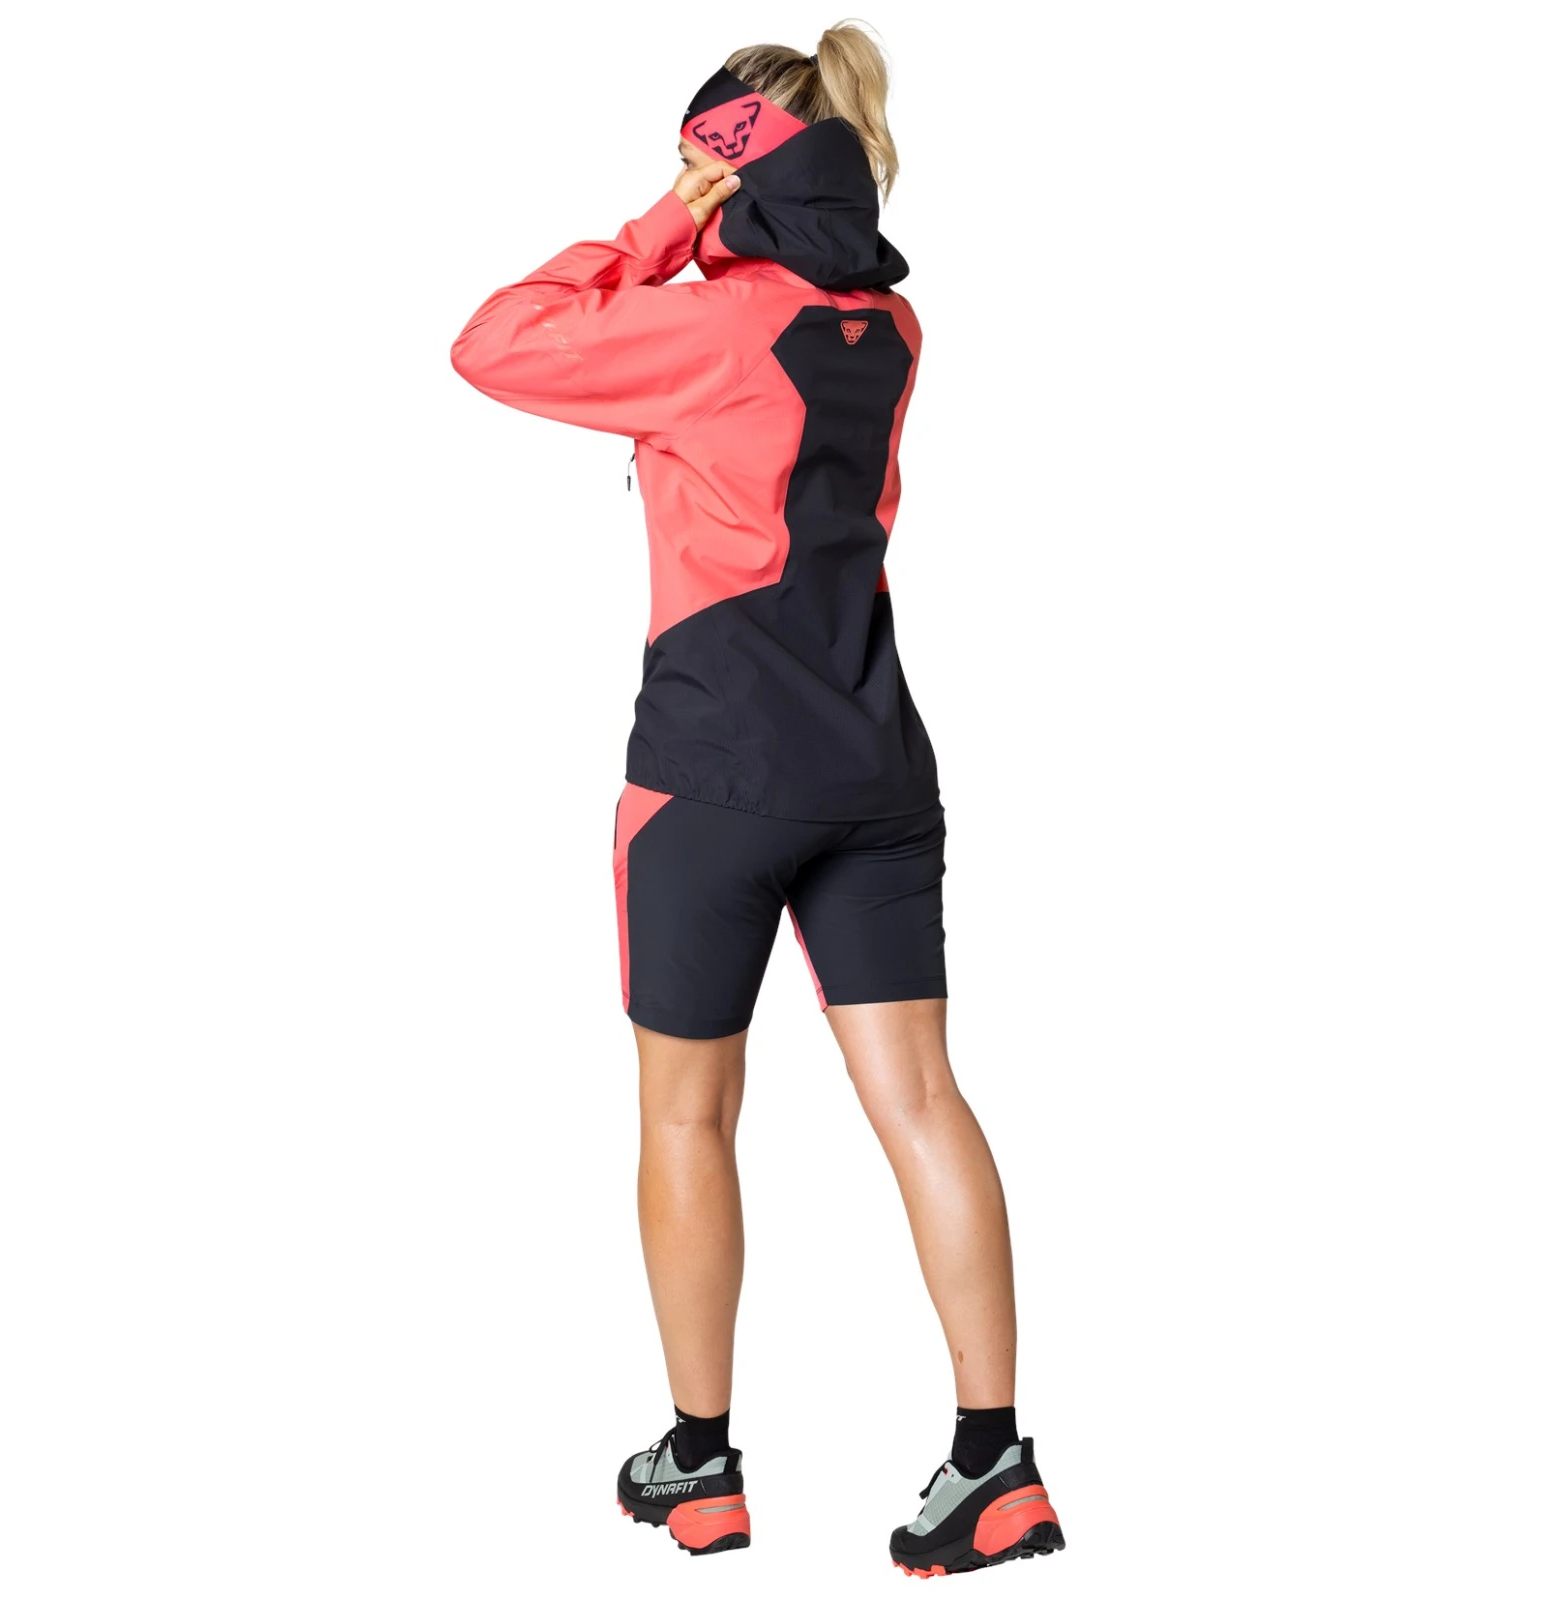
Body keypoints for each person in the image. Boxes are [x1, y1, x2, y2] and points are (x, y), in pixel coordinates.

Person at [450, 23, 1066, 1576]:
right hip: (878, 764)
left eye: (700, 159)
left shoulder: (710, 327)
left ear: (733, 167)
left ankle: (703, 1465)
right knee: (922, 1099)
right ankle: (996, 1464)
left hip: (714, 775)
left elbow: (497, 340)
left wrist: (663, 218)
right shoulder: (889, 328)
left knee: (686, 1111)